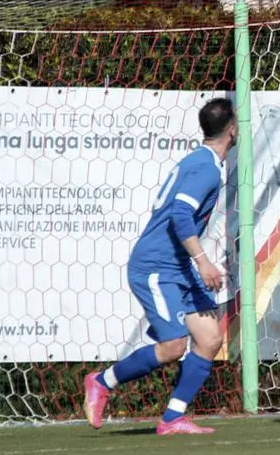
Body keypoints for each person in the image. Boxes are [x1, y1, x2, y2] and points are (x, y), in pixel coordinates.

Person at [83, 98, 236, 435]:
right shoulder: (207, 168)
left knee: (210, 338)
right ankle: (101, 381)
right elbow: (181, 216)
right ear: (233, 130)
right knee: (173, 347)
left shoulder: (200, 161)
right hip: (157, 266)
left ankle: (172, 418)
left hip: (177, 266)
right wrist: (204, 261)